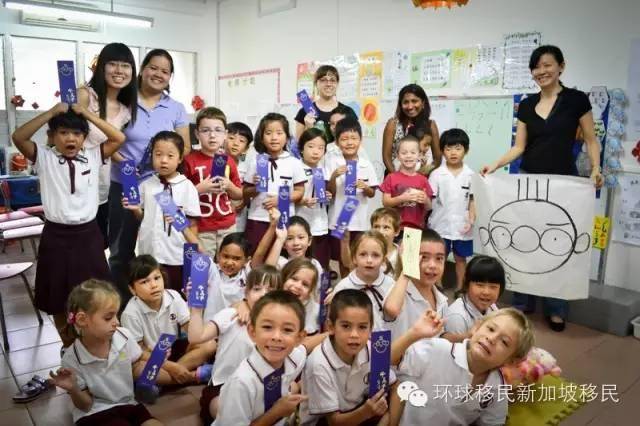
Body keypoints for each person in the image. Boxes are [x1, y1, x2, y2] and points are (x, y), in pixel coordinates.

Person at [480, 45, 603, 332]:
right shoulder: (526, 104)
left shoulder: (577, 100)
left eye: (547, 65)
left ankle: (556, 309)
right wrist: (495, 165)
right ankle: (521, 303)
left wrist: (596, 168)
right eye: (536, 67)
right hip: (528, 180)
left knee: (559, 242)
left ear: (561, 66)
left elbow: (590, 139)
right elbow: (519, 147)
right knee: (523, 240)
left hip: (564, 183)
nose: (541, 71)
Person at [11, 103, 125, 347]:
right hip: (56, 235)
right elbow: (18, 137)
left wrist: (86, 114)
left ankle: (96, 342)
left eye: (76, 133)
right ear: (52, 136)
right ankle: (68, 346)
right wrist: (52, 112)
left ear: (84, 137)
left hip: (88, 235)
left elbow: (118, 137)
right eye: (63, 133)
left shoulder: (93, 156)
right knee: (58, 296)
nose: (70, 138)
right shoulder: (44, 157)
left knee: (97, 292)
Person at [109, 49, 190, 299]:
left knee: (159, 247)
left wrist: (163, 164)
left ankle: (160, 301)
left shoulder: (176, 108)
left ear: (170, 77)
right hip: (126, 184)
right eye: (153, 68)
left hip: (160, 187)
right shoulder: (123, 101)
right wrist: (124, 163)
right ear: (142, 69)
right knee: (121, 249)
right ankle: (125, 303)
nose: (158, 74)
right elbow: (106, 140)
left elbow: (185, 147)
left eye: (165, 71)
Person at [389, 308, 534, 426]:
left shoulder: (497, 386)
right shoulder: (438, 349)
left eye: (504, 342)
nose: (492, 339)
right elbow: (389, 359)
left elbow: (493, 422)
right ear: (476, 328)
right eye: (490, 329)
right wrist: (414, 333)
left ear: (511, 361)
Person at [49, 280, 162, 426]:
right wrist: (74, 389)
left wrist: (157, 360)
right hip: (95, 413)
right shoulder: (71, 359)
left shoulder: (124, 336)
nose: (117, 322)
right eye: (108, 318)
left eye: (116, 315)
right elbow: (85, 406)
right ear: (82, 320)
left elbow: (137, 368)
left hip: (129, 404)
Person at [188, 264, 280, 424]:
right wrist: (196, 307)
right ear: (246, 292)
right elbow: (196, 337)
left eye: (270, 290)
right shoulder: (231, 315)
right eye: (257, 289)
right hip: (223, 386)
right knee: (228, 414)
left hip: (260, 388)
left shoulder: (279, 325)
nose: (263, 294)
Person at [120, 255, 215, 392]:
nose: (154, 285)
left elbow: (193, 333)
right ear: (132, 289)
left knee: (210, 344)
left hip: (174, 351)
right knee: (137, 369)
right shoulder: (130, 314)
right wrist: (170, 366)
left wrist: (194, 306)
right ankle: (194, 377)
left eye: (157, 278)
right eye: (144, 282)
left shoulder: (173, 296)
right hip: (150, 357)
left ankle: (161, 383)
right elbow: (139, 352)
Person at [301, 289, 395, 425]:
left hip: (359, 413)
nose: (354, 335)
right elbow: (333, 422)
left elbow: (395, 385)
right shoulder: (318, 364)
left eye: (362, 327)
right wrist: (366, 412)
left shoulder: (372, 350)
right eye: (346, 326)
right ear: (331, 327)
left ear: (371, 329)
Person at [213, 290, 308, 426]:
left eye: (287, 330)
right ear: (252, 332)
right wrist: (276, 412)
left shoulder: (295, 357)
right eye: (267, 327)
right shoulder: (241, 383)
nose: (276, 337)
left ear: (299, 337)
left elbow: (306, 348)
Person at [122, 131, 200, 293]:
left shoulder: (187, 187)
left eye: (170, 156)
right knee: (151, 292)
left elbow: (193, 225)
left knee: (175, 294)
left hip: (176, 255)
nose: (163, 160)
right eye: (158, 155)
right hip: (150, 252)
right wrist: (136, 209)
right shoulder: (146, 185)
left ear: (180, 158)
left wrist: (192, 257)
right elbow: (143, 218)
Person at [79, 42, 136, 248]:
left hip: (101, 187)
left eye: (125, 65)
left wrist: (127, 164)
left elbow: (106, 147)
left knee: (98, 246)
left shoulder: (125, 110)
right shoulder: (86, 96)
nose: (119, 70)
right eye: (112, 64)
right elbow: (64, 135)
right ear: (101, 67)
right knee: (77, 248)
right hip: (76, 185)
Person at [243, 113, 307, 254]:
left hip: (284, 219)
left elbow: (300, 191)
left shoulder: (294, 163)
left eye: (279, 133)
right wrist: (255, 188)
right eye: (268, 133)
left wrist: (281, 199)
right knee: (256, 257)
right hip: (258, 218)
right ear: (261, 137)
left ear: (287, 137)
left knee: (282, 258)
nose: (274, 138)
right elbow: (245, 193)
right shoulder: (256, 161)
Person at [183, 107, 243, 257]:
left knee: (228, 263)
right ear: (197, 134)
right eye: (205, 130)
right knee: (203, 265)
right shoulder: (189, 161)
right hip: (201, 227)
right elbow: (180, 197)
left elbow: (239, 194)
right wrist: (198, 189)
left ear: (225, 134)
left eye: (218, 130)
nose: (212, 135)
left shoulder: (229, 161)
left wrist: (229, 186)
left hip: (227, 225)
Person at [325, 116, 379, 275]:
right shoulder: (332, 161)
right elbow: (330, 193)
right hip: (339, 217)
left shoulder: (366, 164)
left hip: (359, 220)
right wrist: (334, 176)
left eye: (354, 138)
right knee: (342, 258)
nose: (349, 143)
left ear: (360, 140)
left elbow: (372, 193)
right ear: (337, 142)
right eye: (344, 139)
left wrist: (365, 187)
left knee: (359, 255)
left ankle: (358, 282)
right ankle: (345, 283)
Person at [428, 128, 475, 292]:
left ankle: (460, 288)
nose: (453, 153)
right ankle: (437, 287)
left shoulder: (471, 175)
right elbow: (430, 199)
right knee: (438, 257)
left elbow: (472, 200)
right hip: (440, 224)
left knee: (461, 258)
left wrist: (471, 220)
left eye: (458, 148)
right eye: (448, 149)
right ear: (442, 151)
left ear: (466, 150)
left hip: (463, 225)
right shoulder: (436, 174)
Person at [383, 229, 449, 337]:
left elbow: (440, 336)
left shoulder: (442, 300)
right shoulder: (398, 291)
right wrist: (407, 269)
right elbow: (392, 309)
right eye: (424, 257)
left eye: (439, 258)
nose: (432, 265)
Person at [333, 231, 395, 331]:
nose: (369, 260)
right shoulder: (343, 287)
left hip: (385, 339)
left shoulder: (391, 285)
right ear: (354, 258)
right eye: (363, 254)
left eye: (375, 255)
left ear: (383, 259)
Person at [382, 84, 441, 174]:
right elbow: (386, 157)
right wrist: (397, 177)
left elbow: (437, 160)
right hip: (394, 177)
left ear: (423, 103)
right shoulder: (392, 124)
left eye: (414, 101)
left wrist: (421, 175)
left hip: (420, 178)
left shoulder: (431, 125)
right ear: (400, 104)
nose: (410, 106)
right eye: (405, 102)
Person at [443, 255, 504, 341]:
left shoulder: (492, 307)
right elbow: (453, 348)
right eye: (480, 285)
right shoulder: (457, 317)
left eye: (493, 287)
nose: (486, 292)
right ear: (467, 285)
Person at [380, 135, 433, 231]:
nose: (408, 156)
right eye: (404, 153)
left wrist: (425, 199)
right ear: (398, 156)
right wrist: (402, 198)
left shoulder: (423, 180)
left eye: (413, 152)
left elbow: (429, 207)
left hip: (416, 229)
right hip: (394, 228)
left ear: (419, 155)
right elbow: (385, 203)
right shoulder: (391, 177)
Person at [296, 128, 332, 269]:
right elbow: (285, 196)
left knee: (320, 263)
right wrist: (302, 201)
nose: (316, 152)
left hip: (320, 222)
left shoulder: (325, 170)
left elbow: (325, 195)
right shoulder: (295, 167)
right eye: (311, 146)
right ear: (301, 148)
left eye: (320, 148)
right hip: (299, 220)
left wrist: (327, 196)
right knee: (299, 263)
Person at [294, 65, 357, 142]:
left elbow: (356, 142)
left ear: (337, 84)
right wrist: (308, 128)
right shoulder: (304, 111)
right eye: (323, 80)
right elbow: (298, 145)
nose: (328, 84)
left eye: (332, 80)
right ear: (316, 83)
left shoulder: (348, 112)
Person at [280, 257, 320, 336]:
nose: (298, 286)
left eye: (305, 284)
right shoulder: (269, 304)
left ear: (310, 292)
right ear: (283, 278)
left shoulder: (316, 312)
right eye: (294, 279)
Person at [226, 121, 253, 232]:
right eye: (231, 138)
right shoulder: (216, 163)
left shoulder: (247, 166)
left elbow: (249, 189)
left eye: (241, 141)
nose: (235, 143)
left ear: (246, 148)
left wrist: (244, 202)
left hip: (240, 213)